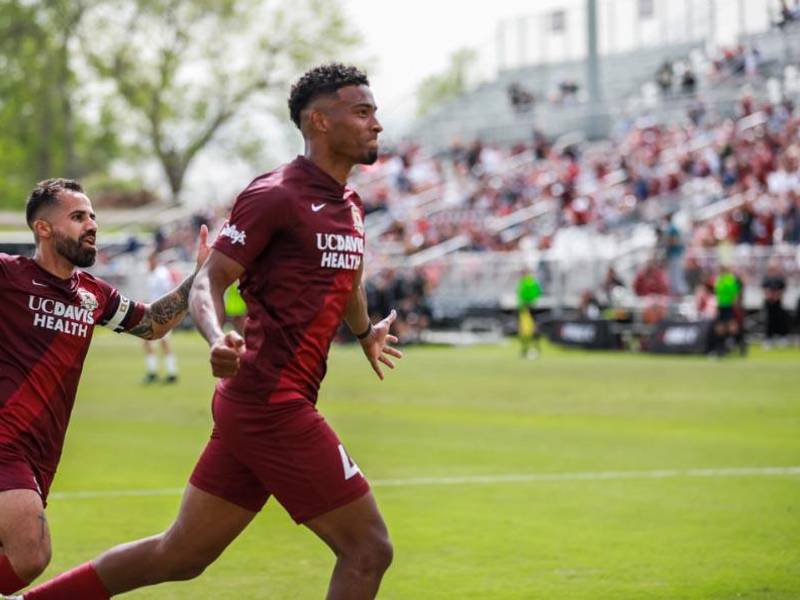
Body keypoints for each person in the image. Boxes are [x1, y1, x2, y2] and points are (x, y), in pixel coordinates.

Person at [17, 63, 402, 600]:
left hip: (258, 405)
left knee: (180, 554)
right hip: (273, 404)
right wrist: (217, 335)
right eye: (362, 112)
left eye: (375, 113)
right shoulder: (276, 194)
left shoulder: (352, 206)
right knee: (368, 549)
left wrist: (364, 332)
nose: (376, 124)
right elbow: (210, 281)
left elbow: (349, 277)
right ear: (318, 121)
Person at [0, 178, 209, 597]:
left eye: (92, 215)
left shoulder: (93, 295)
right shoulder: (9, 275)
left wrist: (199, 276)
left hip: (42, 451)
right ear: (43, 229)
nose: (91, 224)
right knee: (31, 552)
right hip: (6, 440)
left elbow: (152, 324)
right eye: (78, 217)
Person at [142, 252, 180, 383]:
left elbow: (169, 291)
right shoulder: (153, 275)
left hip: (162, 312)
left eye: (149, 261)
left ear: (154, 260)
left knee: (163, 342)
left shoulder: (161, 274)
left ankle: (171, 372)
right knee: (147, 340)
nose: (148, 264)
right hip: (152, 311)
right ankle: (154, 372)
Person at [761, 261, 789, 347]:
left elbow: (782, 289)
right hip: (768, 302)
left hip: (777, 302)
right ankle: (768, 338)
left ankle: (781, 337)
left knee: (780, 320)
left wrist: (777, 296)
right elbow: (764, 289)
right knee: (769, 320)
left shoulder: (780, 278)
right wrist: (769, 296)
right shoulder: (766, 278)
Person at [517, 271, 541, 358]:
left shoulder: (524, 282)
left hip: (525, 308)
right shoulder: (533, 282)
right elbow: (539, 292)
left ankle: (525, 350)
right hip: (533, 307)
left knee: (524, 330)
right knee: (534, 328)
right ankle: (536, 349)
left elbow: (522, 295)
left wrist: (525, 303)